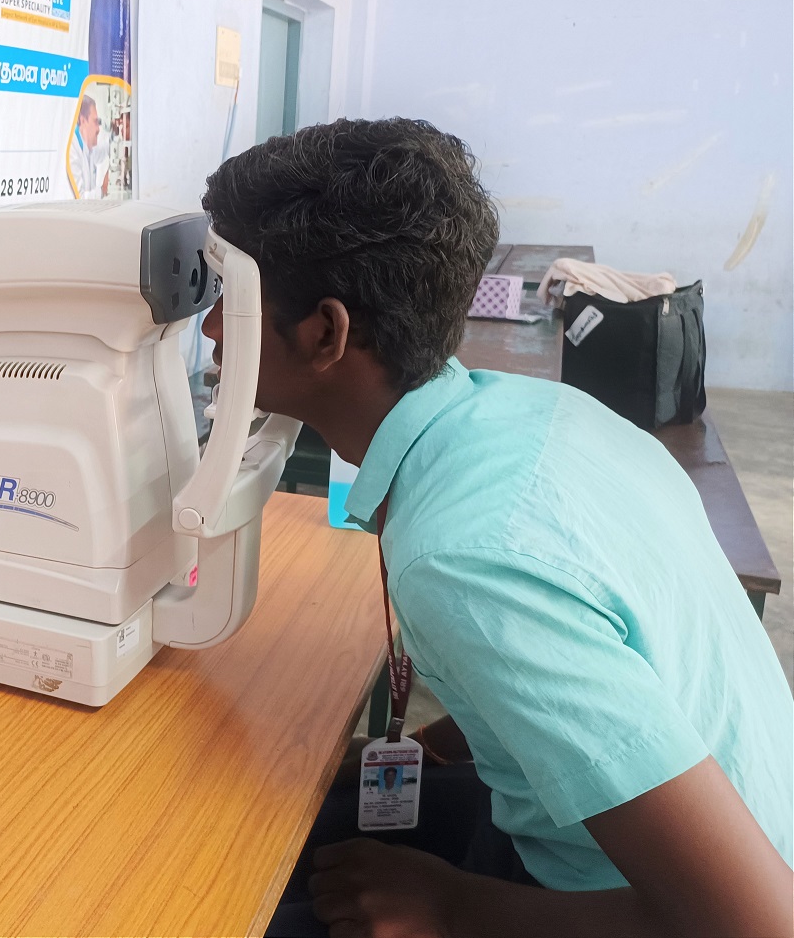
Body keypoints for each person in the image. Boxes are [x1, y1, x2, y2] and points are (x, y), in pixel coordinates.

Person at [199, 119, 794, 938]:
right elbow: (582, 673)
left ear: (325, 333)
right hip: (699, 832)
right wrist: (442, 745)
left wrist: (452, 907)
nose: (208, 330)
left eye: (229, 302)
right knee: (294, 812)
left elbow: (757, 923)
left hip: (666, 902)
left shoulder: (465, 553)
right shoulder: (542, 412)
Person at [69, 93, 109, 199]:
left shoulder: (87, 147)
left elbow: (101, 151)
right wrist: (103, 190)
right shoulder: (73, 150)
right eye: (95, 122)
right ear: (83, 121)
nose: (98, 129)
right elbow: (79, 199)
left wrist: (116, 139)